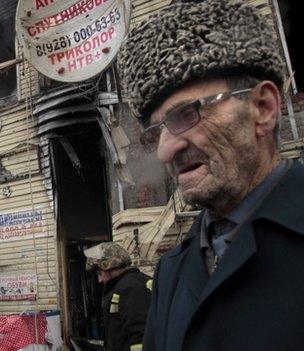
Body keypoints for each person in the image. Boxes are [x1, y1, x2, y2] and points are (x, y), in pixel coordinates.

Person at [118, 1, 304, 350]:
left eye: (186, 114)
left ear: (263, 107)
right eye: (156, 131)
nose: (164, 151)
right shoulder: (171, 272)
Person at [85, 242, 151, 351]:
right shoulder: (125, 286)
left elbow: (141, 336)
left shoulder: (131, 288)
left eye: (99, 273)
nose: (99, 280)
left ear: (110, 266)